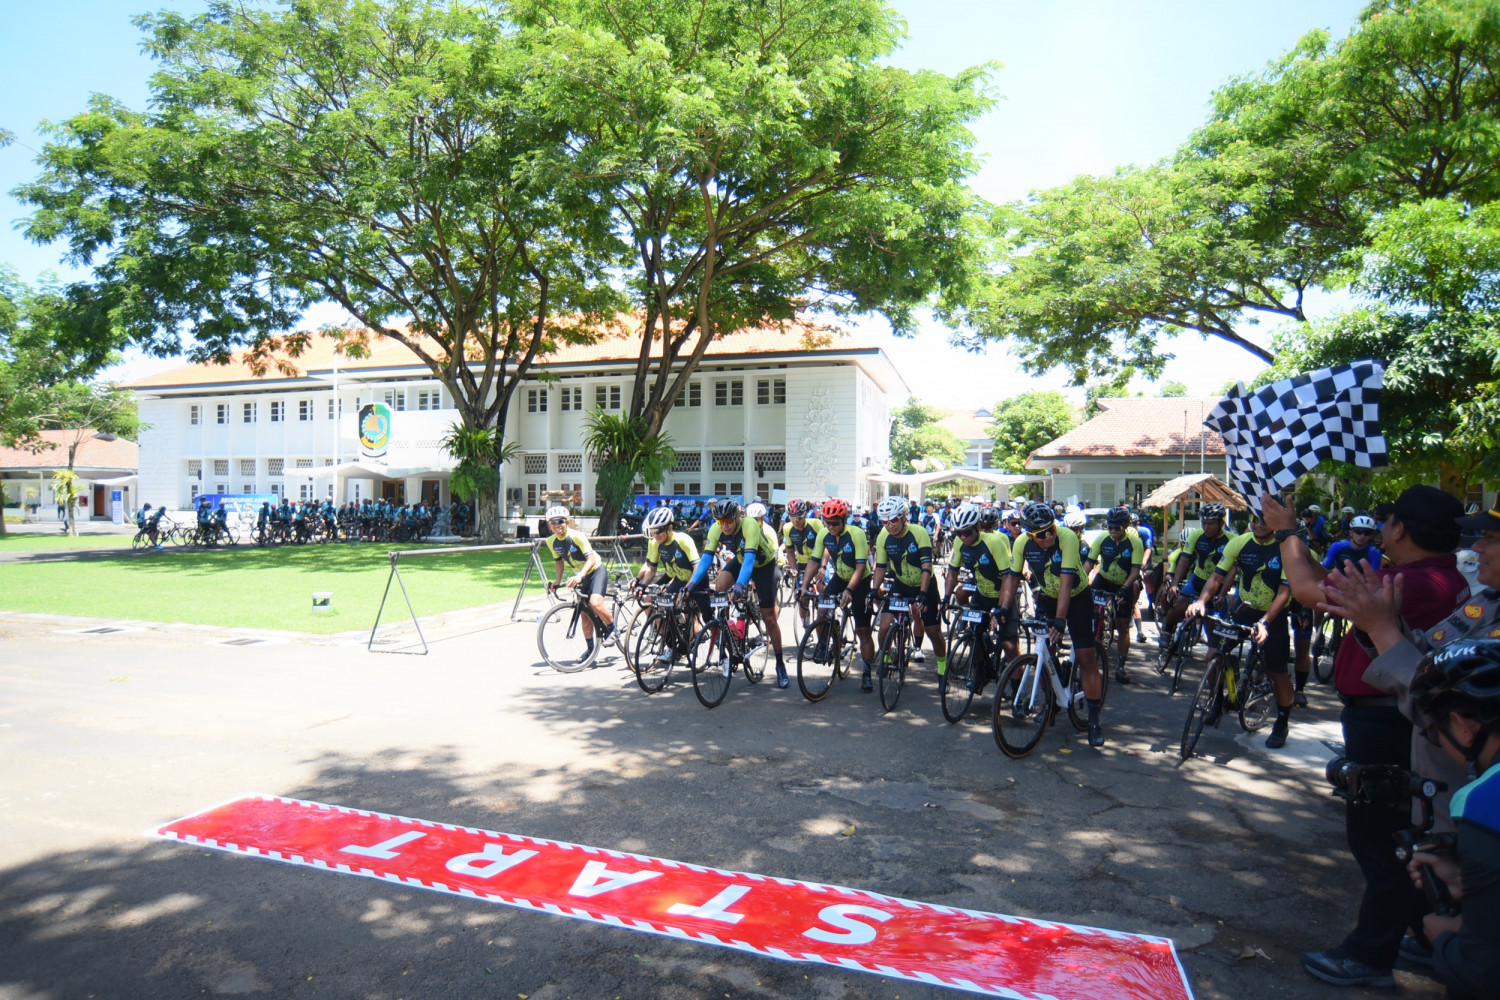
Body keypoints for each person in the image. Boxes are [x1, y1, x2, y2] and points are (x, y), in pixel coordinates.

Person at [1264, 486, 1469, 987]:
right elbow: (1320, 579)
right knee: (1411, 833)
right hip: (1392, 716)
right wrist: (1297, 536)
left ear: (1400, 528)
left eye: (1387, 520)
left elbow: (1308, 591)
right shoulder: (1439, 576)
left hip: (1387, 721)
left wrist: (1286, 532)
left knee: (1383, 840)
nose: (1381, 529)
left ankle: (1369, 955)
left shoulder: (1412, 581)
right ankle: (1427, 936)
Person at [1404, 639, 1500, 1000]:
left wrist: (1443, 937)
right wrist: (1469, 883)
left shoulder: (1483, 800)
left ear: (1462, 727)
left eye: (1433, 731)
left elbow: (1480, 972)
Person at [999, 501, 1107, 747]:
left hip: (1077, 597)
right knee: (1044, 651)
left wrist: (1060, 620)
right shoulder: (1022, 543)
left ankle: (1093, 721)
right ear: (1030, 535)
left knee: (1086, 657)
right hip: (1048, 598)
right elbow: (1012, 577)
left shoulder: (1066, 536)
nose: (1048, 536)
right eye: (1041, 534)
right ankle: (1052, 701)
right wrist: (1003, 608)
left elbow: (1067, 581)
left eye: (1050, 530)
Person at [1188, 512, 1296, 747]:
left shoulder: (1285, 547)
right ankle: (1217, 701)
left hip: (1273, 614)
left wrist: (1265, 621)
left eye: (1264, 520)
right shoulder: (1239, 543)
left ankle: (1282, 723)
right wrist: (1201, 601)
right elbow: (1216, 578)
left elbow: (1284, 591)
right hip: (1244, 609)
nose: (1258, 524)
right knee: (1213, 655)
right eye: (1254, 520)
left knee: (1277, 671)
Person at [688, 497, 789, 687]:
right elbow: (706, 559)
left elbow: (750, 560)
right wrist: (692, 584)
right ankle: (726, 631)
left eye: (728, 521)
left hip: (763, 565)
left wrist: (740, 585)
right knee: (720, 587)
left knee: (769, 617)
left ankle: (780, 665)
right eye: (720, 522)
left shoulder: (749, 524)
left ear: (737, 517)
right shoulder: (716, 528)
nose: (724, 526)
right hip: (742, 560)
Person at [870, 495, 946, 685]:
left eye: (894, 520)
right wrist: (874, 589)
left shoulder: (918, 532)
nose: (890, 525)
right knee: (884, 626)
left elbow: (926, 566)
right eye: (885, 521)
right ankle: (886, 657)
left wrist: (922, 594)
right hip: (901, 583)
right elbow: (880, 567)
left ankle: (942, 669)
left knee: (934, 632)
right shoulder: (883, 536)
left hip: (925, 584)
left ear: (904, 516)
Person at [801, 498, 876, 690]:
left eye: (835, 523)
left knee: (863, 630)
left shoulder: (856, 534)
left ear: (844, 519)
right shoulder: (824, 534)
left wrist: (849, 590)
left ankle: (867, 672)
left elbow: (861, 566)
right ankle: (825, 643)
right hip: (840, 577)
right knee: (821, 610)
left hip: (860, 580)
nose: (831, 526)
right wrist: (804, 586)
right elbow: (814, 561)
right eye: (827, 522)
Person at [943, 503, 1018, 685]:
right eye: (958, 533)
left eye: (967, 532)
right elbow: (952, 572)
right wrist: (945, 598)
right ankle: (980, 671)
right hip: (982, 594)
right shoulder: (960, 542)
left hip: (1003, 594)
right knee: (974, 635)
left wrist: (1001, 608)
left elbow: (1007, 577)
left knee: (1009, 646)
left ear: (978, 527)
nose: (963, 537)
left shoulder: (994, 542)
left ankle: (1017, 692)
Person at [543, 505, 614, 665]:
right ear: (549, 525)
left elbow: (591, 559)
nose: (557, 525)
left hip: (595, 570)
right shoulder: (551, 541)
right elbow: (559, 562)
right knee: (584, 613)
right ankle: (590, 649)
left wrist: (581, 575)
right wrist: (557, 581)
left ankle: (613, 629)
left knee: (595, 603)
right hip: (581, 575)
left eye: (561, 521)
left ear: (567, 522)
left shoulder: (577, 536)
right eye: (553, 522)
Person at [634, 505, 702, 668]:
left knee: (688, 611)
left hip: (693, 579)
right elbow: (651, 569)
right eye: (653, 531)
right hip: (677, 579)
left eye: (659, 531)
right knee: (655, 605)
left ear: (669, 528)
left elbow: (697, 567)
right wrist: (641, 585)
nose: (655, 535)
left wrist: (688, 588)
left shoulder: (683, 540)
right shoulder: (655, 543)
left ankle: (693, 644)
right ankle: (671, 647)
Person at [1084, 507, 1144, 685]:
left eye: (1117, 527)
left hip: (1125, 582)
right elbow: (1089, 563)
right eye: (1110, 527)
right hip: (1103, 579)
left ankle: (1121, 666)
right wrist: (1080, 580)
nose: (1112, 530)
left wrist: (1124, 588)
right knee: (1088, 613)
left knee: (1123, 625)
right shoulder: (1102, 538)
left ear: (1125, 526)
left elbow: (1135, 570)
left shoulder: (1135, 542)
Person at [1160, 502, 1234, 644]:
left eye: (1211, 524)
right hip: (1197, 580)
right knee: (1179, 606)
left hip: (1219, 584)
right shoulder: (1196, 535)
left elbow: (1232, 571)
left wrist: (1223, 593)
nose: (1206, 527)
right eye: (1204, 523)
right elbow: (1184, 559)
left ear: (1221, 523)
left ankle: (1212, 649)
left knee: (1212, 622)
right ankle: (1167, 630)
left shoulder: (1232, 540)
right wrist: (1175, 584)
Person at [781, 500, 824, 633]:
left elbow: (826, 545)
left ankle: (825, 619)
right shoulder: (787, 528)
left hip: (818, 561)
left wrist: (823, 566)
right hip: (803, 563)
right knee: (801, 597)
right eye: (792, 518)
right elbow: (789, 551)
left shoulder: (816, 524)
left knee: (821, 589)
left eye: (799, 518)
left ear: (805, 514)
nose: (796, 521)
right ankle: (806, 628)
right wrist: (794, 569)